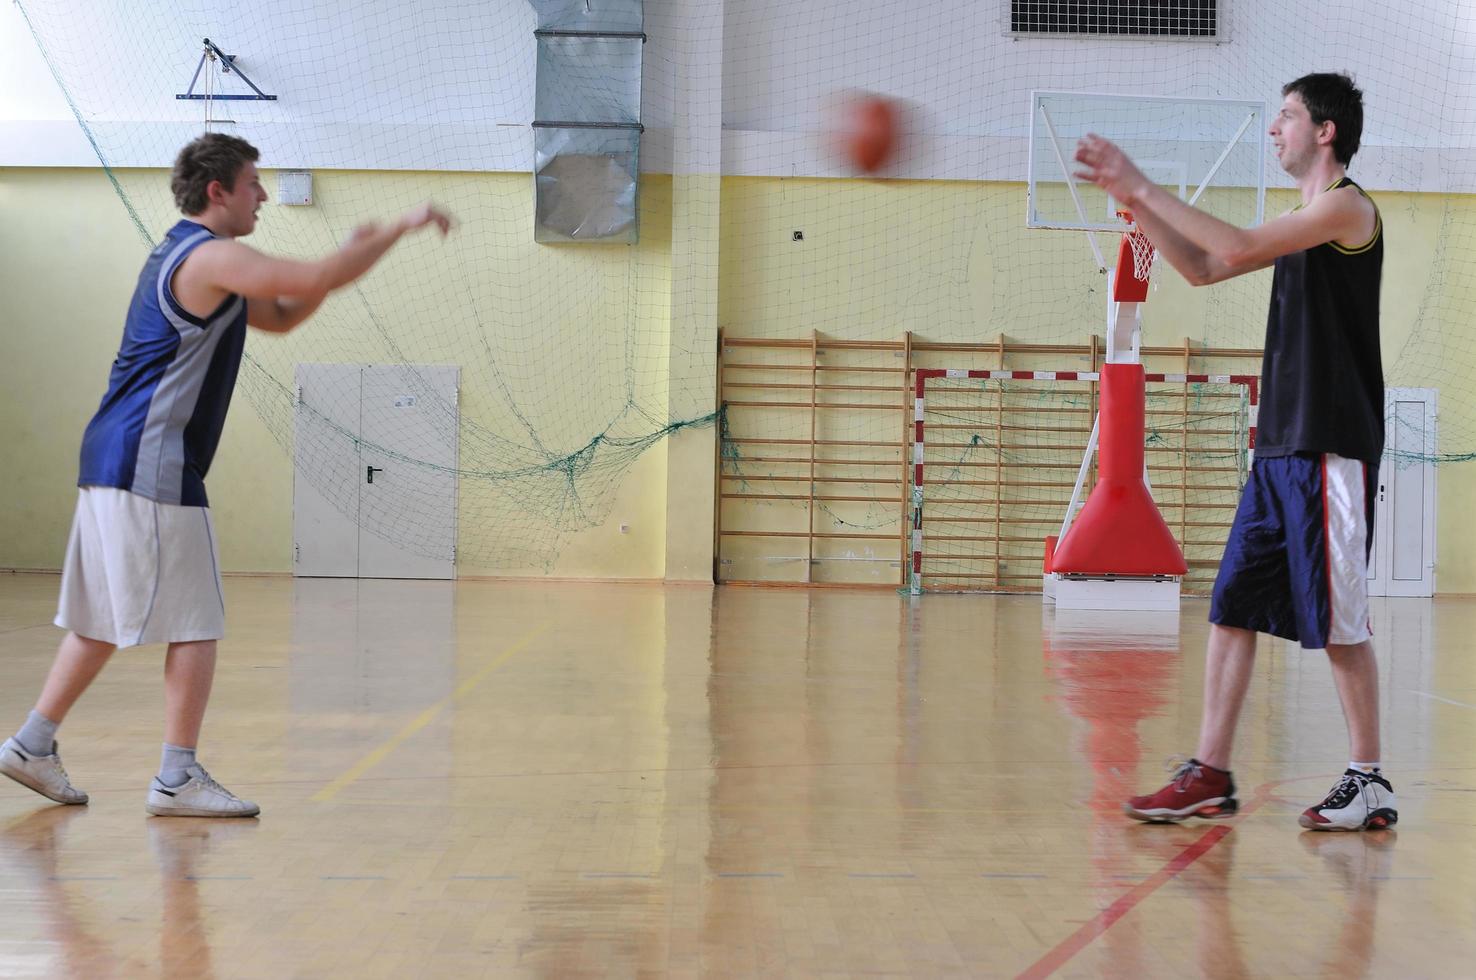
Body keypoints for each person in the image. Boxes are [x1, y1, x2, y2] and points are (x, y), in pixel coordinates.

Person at [0, 133, 452, 817]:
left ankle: (32, 744)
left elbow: (287, 312)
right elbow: (307, 278)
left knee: (98, 619)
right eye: (253, 183)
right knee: (196, 620)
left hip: (111, 455)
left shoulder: (194, 258)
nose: (263, 195)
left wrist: (357, 255)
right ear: (219, 191)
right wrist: (399, 227)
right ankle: (176, 778)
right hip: (152, 457)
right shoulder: (211, 255)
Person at [1073, 73, 1397, 832]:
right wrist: (1141, 206)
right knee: (1233, 608)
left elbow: (1239, 243)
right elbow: (1207, 266)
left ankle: (1370, 778)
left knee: (1338, 621)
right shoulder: (1304, 218)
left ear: (1325, 131)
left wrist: (1144, 181)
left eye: (1285, 117)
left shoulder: (1348, 207)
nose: (1273, 129)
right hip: (1280, 445)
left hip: (1329, 444)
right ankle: (1210, 771)